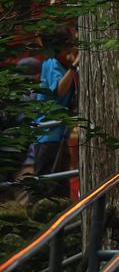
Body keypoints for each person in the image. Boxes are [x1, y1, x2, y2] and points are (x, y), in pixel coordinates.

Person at [31, 27, 79, 177]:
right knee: (47, 182)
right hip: (48, 136)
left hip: (60, 135)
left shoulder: (63, 66)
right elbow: (60, 90)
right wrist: (74, 65)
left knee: (60, 183)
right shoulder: (51, 63)